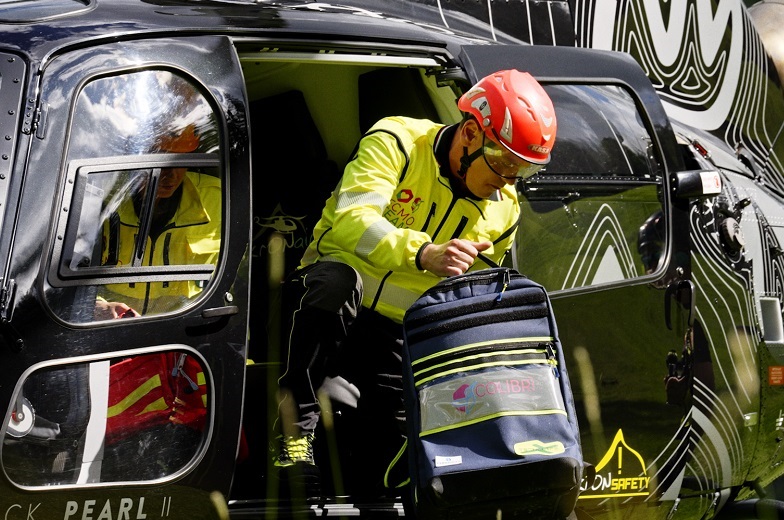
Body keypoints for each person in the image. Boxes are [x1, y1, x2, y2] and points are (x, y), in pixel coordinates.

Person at [272, 69, 557, 495]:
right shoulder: (397, 141)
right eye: (503, 162)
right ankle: (293, 433)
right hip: (324, 306)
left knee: (394, 463)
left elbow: (474, 304)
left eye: (523, 170)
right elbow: (352, 222)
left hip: (399, 336)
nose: (508, 180)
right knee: (339, 279)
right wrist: (424, 253)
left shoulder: (505, 210)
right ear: (470, 133)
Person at [94, 124, 221, 319]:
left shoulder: (218, 199)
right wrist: (97, 307)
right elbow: (61, 270)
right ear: (137, 158)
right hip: (108, 331)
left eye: (179, 161)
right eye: (160, 161)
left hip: (180, 337)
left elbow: (238, 279)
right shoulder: (103, 195)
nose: (170, 175)